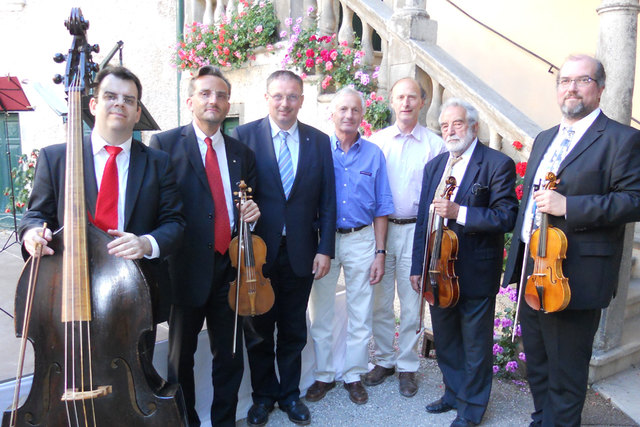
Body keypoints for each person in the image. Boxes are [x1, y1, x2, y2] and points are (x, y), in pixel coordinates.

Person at [503, 54, 640, 427]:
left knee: (566, 368)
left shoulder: (622, 139)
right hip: (536, 267)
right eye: (565, 81)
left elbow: (634, 200)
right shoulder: (546, 138)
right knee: (538, 359)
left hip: (576, 274)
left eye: (582, 81)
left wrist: (570, 206)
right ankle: (542, 419)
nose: (572, 88)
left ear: (600, 88)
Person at [20, 65, 185, 327]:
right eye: (111, 96)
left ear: (137, 112)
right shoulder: (55, 158)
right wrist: (32, 235)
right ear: (94, 105)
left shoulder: (158, 162)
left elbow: (175, 223)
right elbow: (36, 215)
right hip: (67, 290)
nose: (120, 104)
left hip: (136, 294)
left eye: (129, 100)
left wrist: (145, 243)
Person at [150, 66, 259, 427]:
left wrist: (251, 215)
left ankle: (224, 421)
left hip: (230, 268)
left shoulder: (242, 152)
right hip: (184, 269)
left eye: (221, 95)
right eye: (206, 93)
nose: (214, 100)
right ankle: (186, 422)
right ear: (191, 100)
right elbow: (159, 209)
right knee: (180, 357)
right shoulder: (164, 145)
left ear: (228, 104)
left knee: (229, 355)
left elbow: (246, 208)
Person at [231, 70, 336, 426]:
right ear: (266, 98)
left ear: (302, 100)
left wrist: (325, 249)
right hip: (259, 253)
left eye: (292, 96)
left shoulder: (319, 141)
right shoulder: (244, 137)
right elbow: (235, 193)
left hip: (302, 252)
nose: (285, 103)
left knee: (293, 329)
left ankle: (290, 395)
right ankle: (263, 397)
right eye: (278, 96)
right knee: (258, 330)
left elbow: (328, 200)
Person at [410, 99, 518, 426]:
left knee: (475, 344)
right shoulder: (435, 166)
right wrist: (418, 266)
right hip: (436, 271)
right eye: (444, 126)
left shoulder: (497, 163)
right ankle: (453, 393)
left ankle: (472, 409)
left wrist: (461, 213)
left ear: (473, 126)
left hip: (474, 270)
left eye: (457, 124)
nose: (450, 131)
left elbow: (506, 216)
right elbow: (423, 222)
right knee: (445, 338)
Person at [306, 87, 394, 405]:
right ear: (332, 114)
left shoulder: (374, 154)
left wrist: (380, 253)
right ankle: (324, 374)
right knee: (322, 310)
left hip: (361, 238)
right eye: (342, 109)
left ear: (362, 116)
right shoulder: (317, 150)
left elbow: (382, 207)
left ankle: (354, 373)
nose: (349, 115)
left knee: (361, 310)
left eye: (355, 110)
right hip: (324, 240)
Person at [365, 77, 446, 396]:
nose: (406, 103)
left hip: (417, 230)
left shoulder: (435, 145)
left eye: (412, 97)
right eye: (400, 97)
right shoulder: (378, 142)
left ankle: (408, 366)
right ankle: (385, 360)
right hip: (382, 230)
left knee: (413, 301)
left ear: (423, 102)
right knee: (381, 300)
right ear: (392, 101)